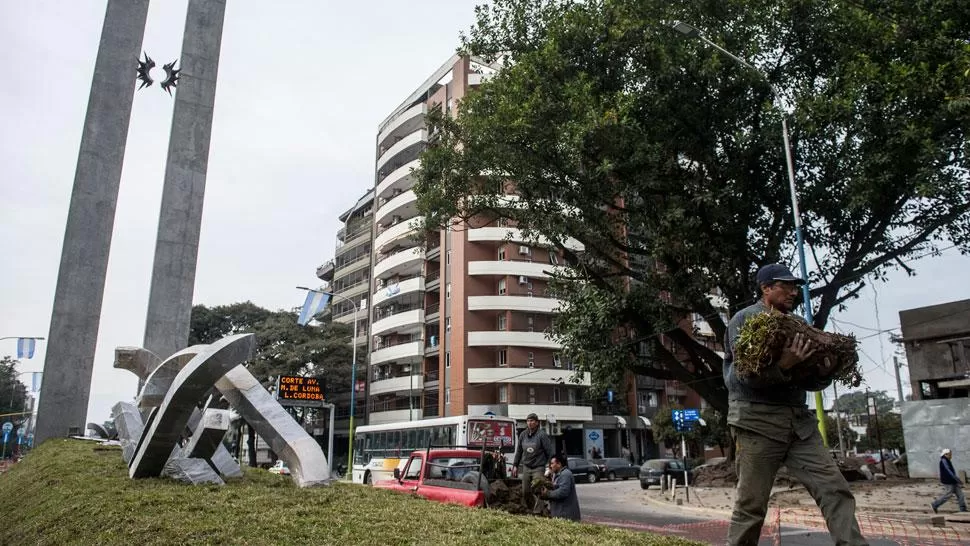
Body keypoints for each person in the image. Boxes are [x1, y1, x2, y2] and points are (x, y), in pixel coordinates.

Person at [723, 263, 867, 546]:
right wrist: (784, 365)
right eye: (785, 286)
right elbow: (743, 379)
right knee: (751, 506)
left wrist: (825, 371)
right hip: (757, 425)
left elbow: (808, 382)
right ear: (766, 288)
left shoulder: (797, 324)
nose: (793, 292)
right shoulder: (746, 320)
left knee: (835, 490)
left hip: (800, 427)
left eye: (794, 286)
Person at [513, 413, 554, 514]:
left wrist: (550, 466)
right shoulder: (523, 435)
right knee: (525, 491)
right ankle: (531, 509)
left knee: (538, 490)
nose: (530, 423)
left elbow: (549, 451)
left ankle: (538, 512)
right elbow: (519, 451)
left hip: (538, 467)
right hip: (526, 467)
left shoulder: (542, 435)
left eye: (532, 421)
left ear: (537, 423)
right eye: (528, 421)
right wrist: (515, 465)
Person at [539, 453, 581, 521]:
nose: (550, 466)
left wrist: (548, 493)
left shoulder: (565, 474)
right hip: (559, 514)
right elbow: (554, 488)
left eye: (552, 463)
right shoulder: (556, 475)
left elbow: (563, 492)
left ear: (559, 464)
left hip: (566, 516)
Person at [931, 448, 967, 513]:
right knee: (948, 495)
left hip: (952, 480)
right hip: (948, 481)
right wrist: (957, 479)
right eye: (950, 455)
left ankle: (963, 509)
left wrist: (956, 480)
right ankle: (935, 504)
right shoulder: (944, 461)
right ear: (946, 454)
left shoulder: (947, 460)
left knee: (960, 494)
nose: (951, 456)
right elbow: (949, 471)